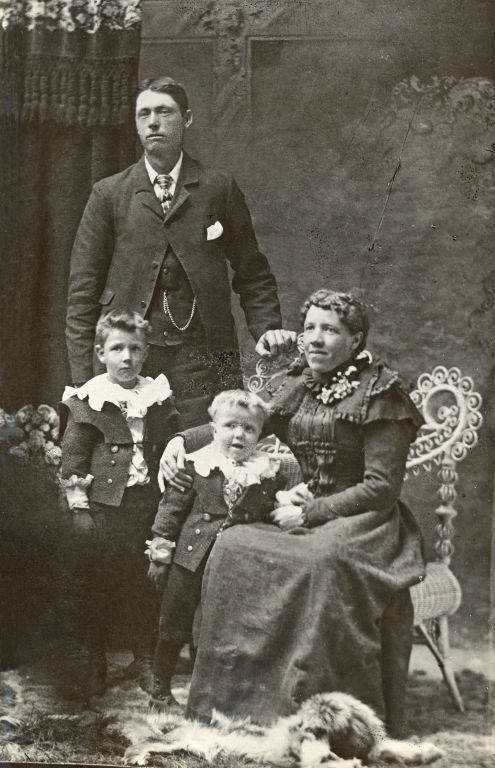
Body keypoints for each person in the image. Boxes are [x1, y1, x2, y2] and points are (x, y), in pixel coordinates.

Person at [160, 289, 425, 735]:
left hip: (366, 522)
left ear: (356, 340)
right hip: (297, 505)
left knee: (319, 562)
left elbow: (381, 488)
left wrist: (313, 513)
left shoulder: (381, 392)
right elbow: (245, 418)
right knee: (232, 544)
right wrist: (182, 440)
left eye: (331, 330)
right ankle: (241, 700)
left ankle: (313, 710)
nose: (315, 340)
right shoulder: (302, 381)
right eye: (310, 329)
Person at [66, 75, 296, 429]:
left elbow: (253, 273)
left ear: (186, 118)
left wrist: (267, 328)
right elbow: (81, 295)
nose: (153, 122)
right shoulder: (109, 194)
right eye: (144, 114)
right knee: (130, 465)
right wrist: (84, 380)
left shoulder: (218, 188)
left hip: (203, 355)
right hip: (130, 357)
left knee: (203, 456)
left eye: (164, 112)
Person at [60, 310, 180, 697]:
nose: (126, 358)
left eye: (135, 349)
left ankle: (143, 657)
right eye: (117, 349)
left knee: (144, 583)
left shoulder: (156, 396)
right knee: (99, 581)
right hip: (103, 508)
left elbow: (171, 442)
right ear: (100, 353)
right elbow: (73, 458)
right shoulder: (89, 399)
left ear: (145, 354)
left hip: (147, 503)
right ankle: (95, 659)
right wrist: (79, 508)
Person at [145, 389, 286, 710]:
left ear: (259, 434)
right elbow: (170, 513)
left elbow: (266, 517)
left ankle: (205, 690)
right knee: (173, 622)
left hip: (234, 565)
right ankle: (160, 686)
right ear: (213, 429)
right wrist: (160, 555)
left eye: (249, 428)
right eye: (230, 426)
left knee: (214, 626)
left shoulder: (266, 473)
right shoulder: (197, 465)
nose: (239, 434)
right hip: (190, 560)